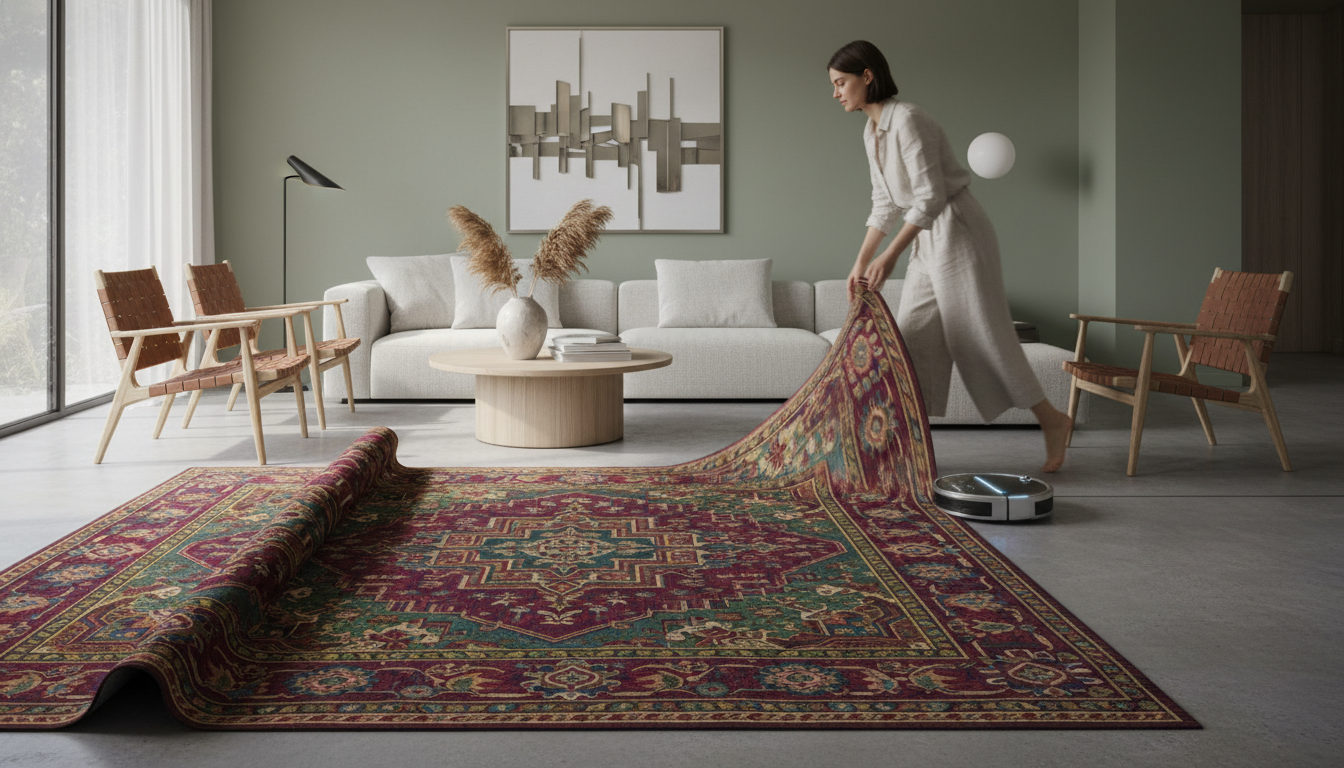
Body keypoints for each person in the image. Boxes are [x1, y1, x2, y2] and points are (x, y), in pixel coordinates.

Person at [827, 39, 1070, 473]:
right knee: (913, 338)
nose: (836, 93)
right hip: (924, 238)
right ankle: (904, 449)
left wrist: (891, 257)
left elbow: (931, 197)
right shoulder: (872, 133)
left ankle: (1052, 420)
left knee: (982, 333)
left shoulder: (909, 120)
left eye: (841, 82)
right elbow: (884, 203)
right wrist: (861, 262)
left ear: (868, 76)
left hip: (958, 230)